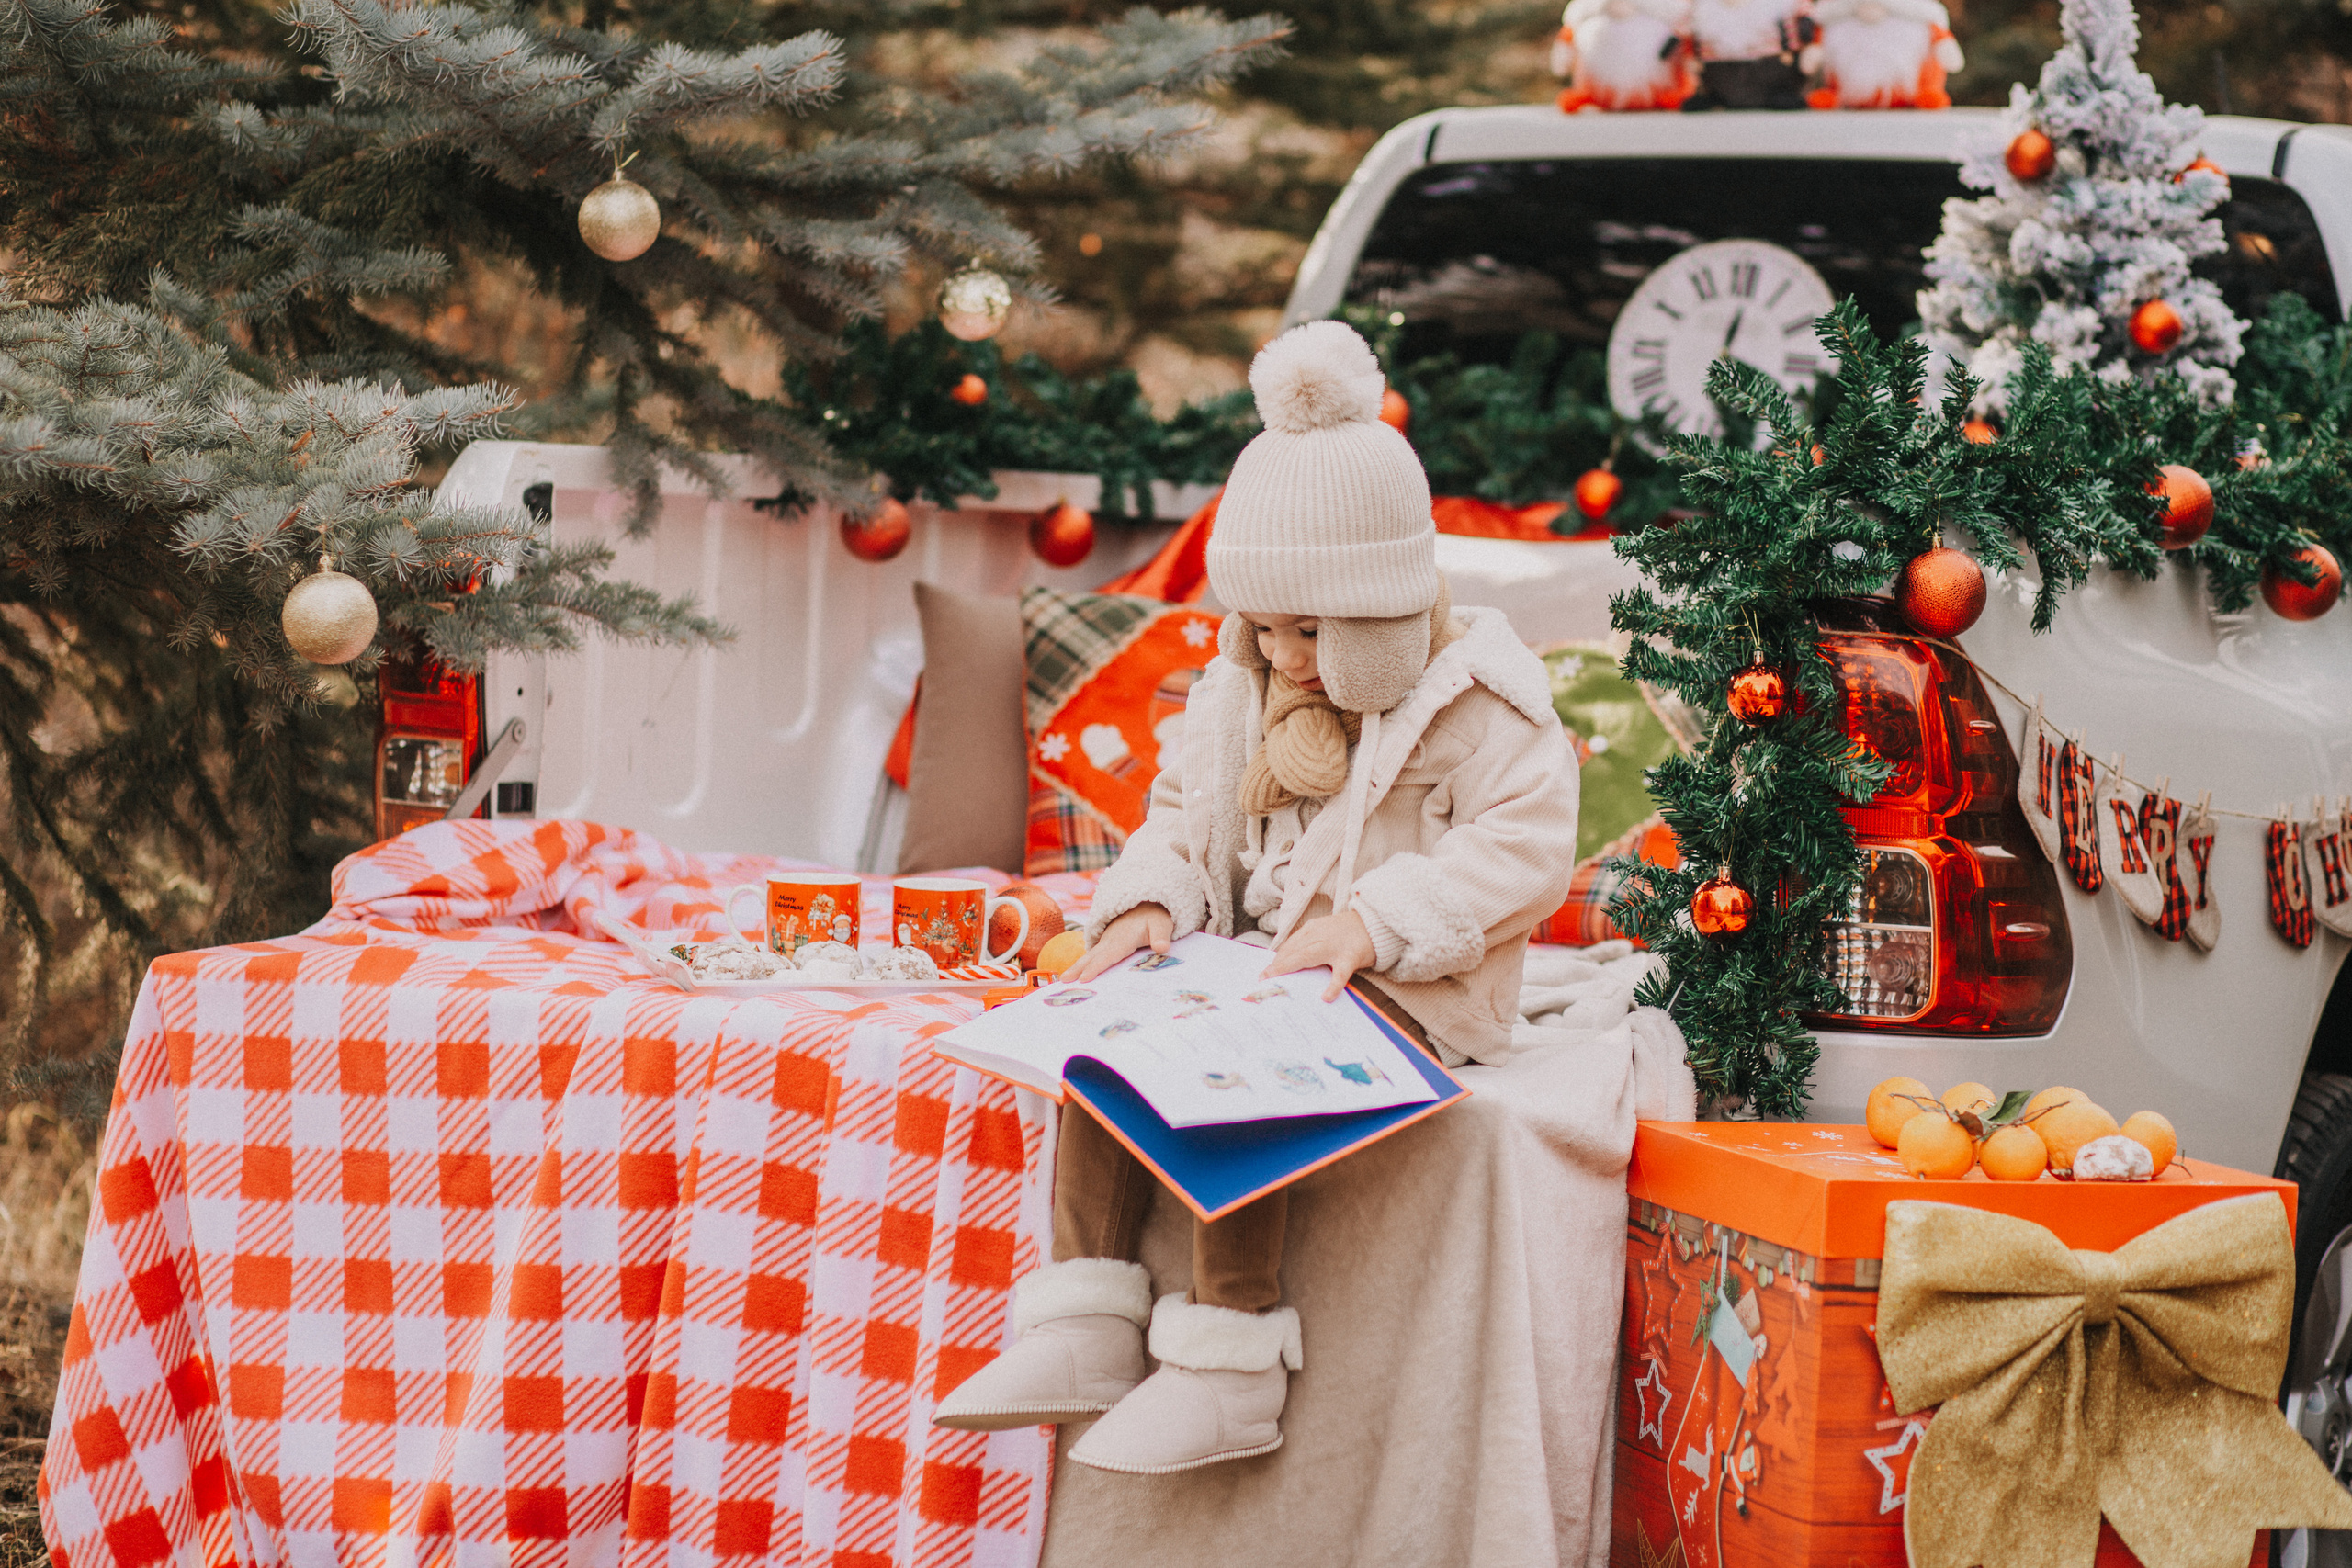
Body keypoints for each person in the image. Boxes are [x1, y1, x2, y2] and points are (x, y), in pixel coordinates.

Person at [932, 320, 1581, 1473]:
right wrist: (1150, 905)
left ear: (1382, 607)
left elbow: (1521, 848)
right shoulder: (1238, 688)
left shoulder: (1480, 703)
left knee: (1242, 1072)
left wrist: (1373, 924)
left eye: (1311, 631)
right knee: (1112, 1031)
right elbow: (1183, 814)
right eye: (1266, 627)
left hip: (1404, 983)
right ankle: (1084, 1317)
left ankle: (1227, 1364)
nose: (1282, 654)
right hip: (1259, 954)